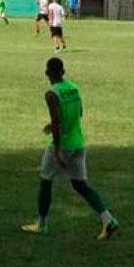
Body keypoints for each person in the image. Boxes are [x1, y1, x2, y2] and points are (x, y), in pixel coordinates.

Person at [20, 57, 119, 240]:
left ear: (47, 73)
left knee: (46, 180)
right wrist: (55, 124)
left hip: (63, 144)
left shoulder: (51, 93)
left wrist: (57, 149)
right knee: (80, 185)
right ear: (63, 72)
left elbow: (57, 120)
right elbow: (79, 112)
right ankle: (108, 220)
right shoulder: (74, 87)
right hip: (78, 143)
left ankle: (41, 224)